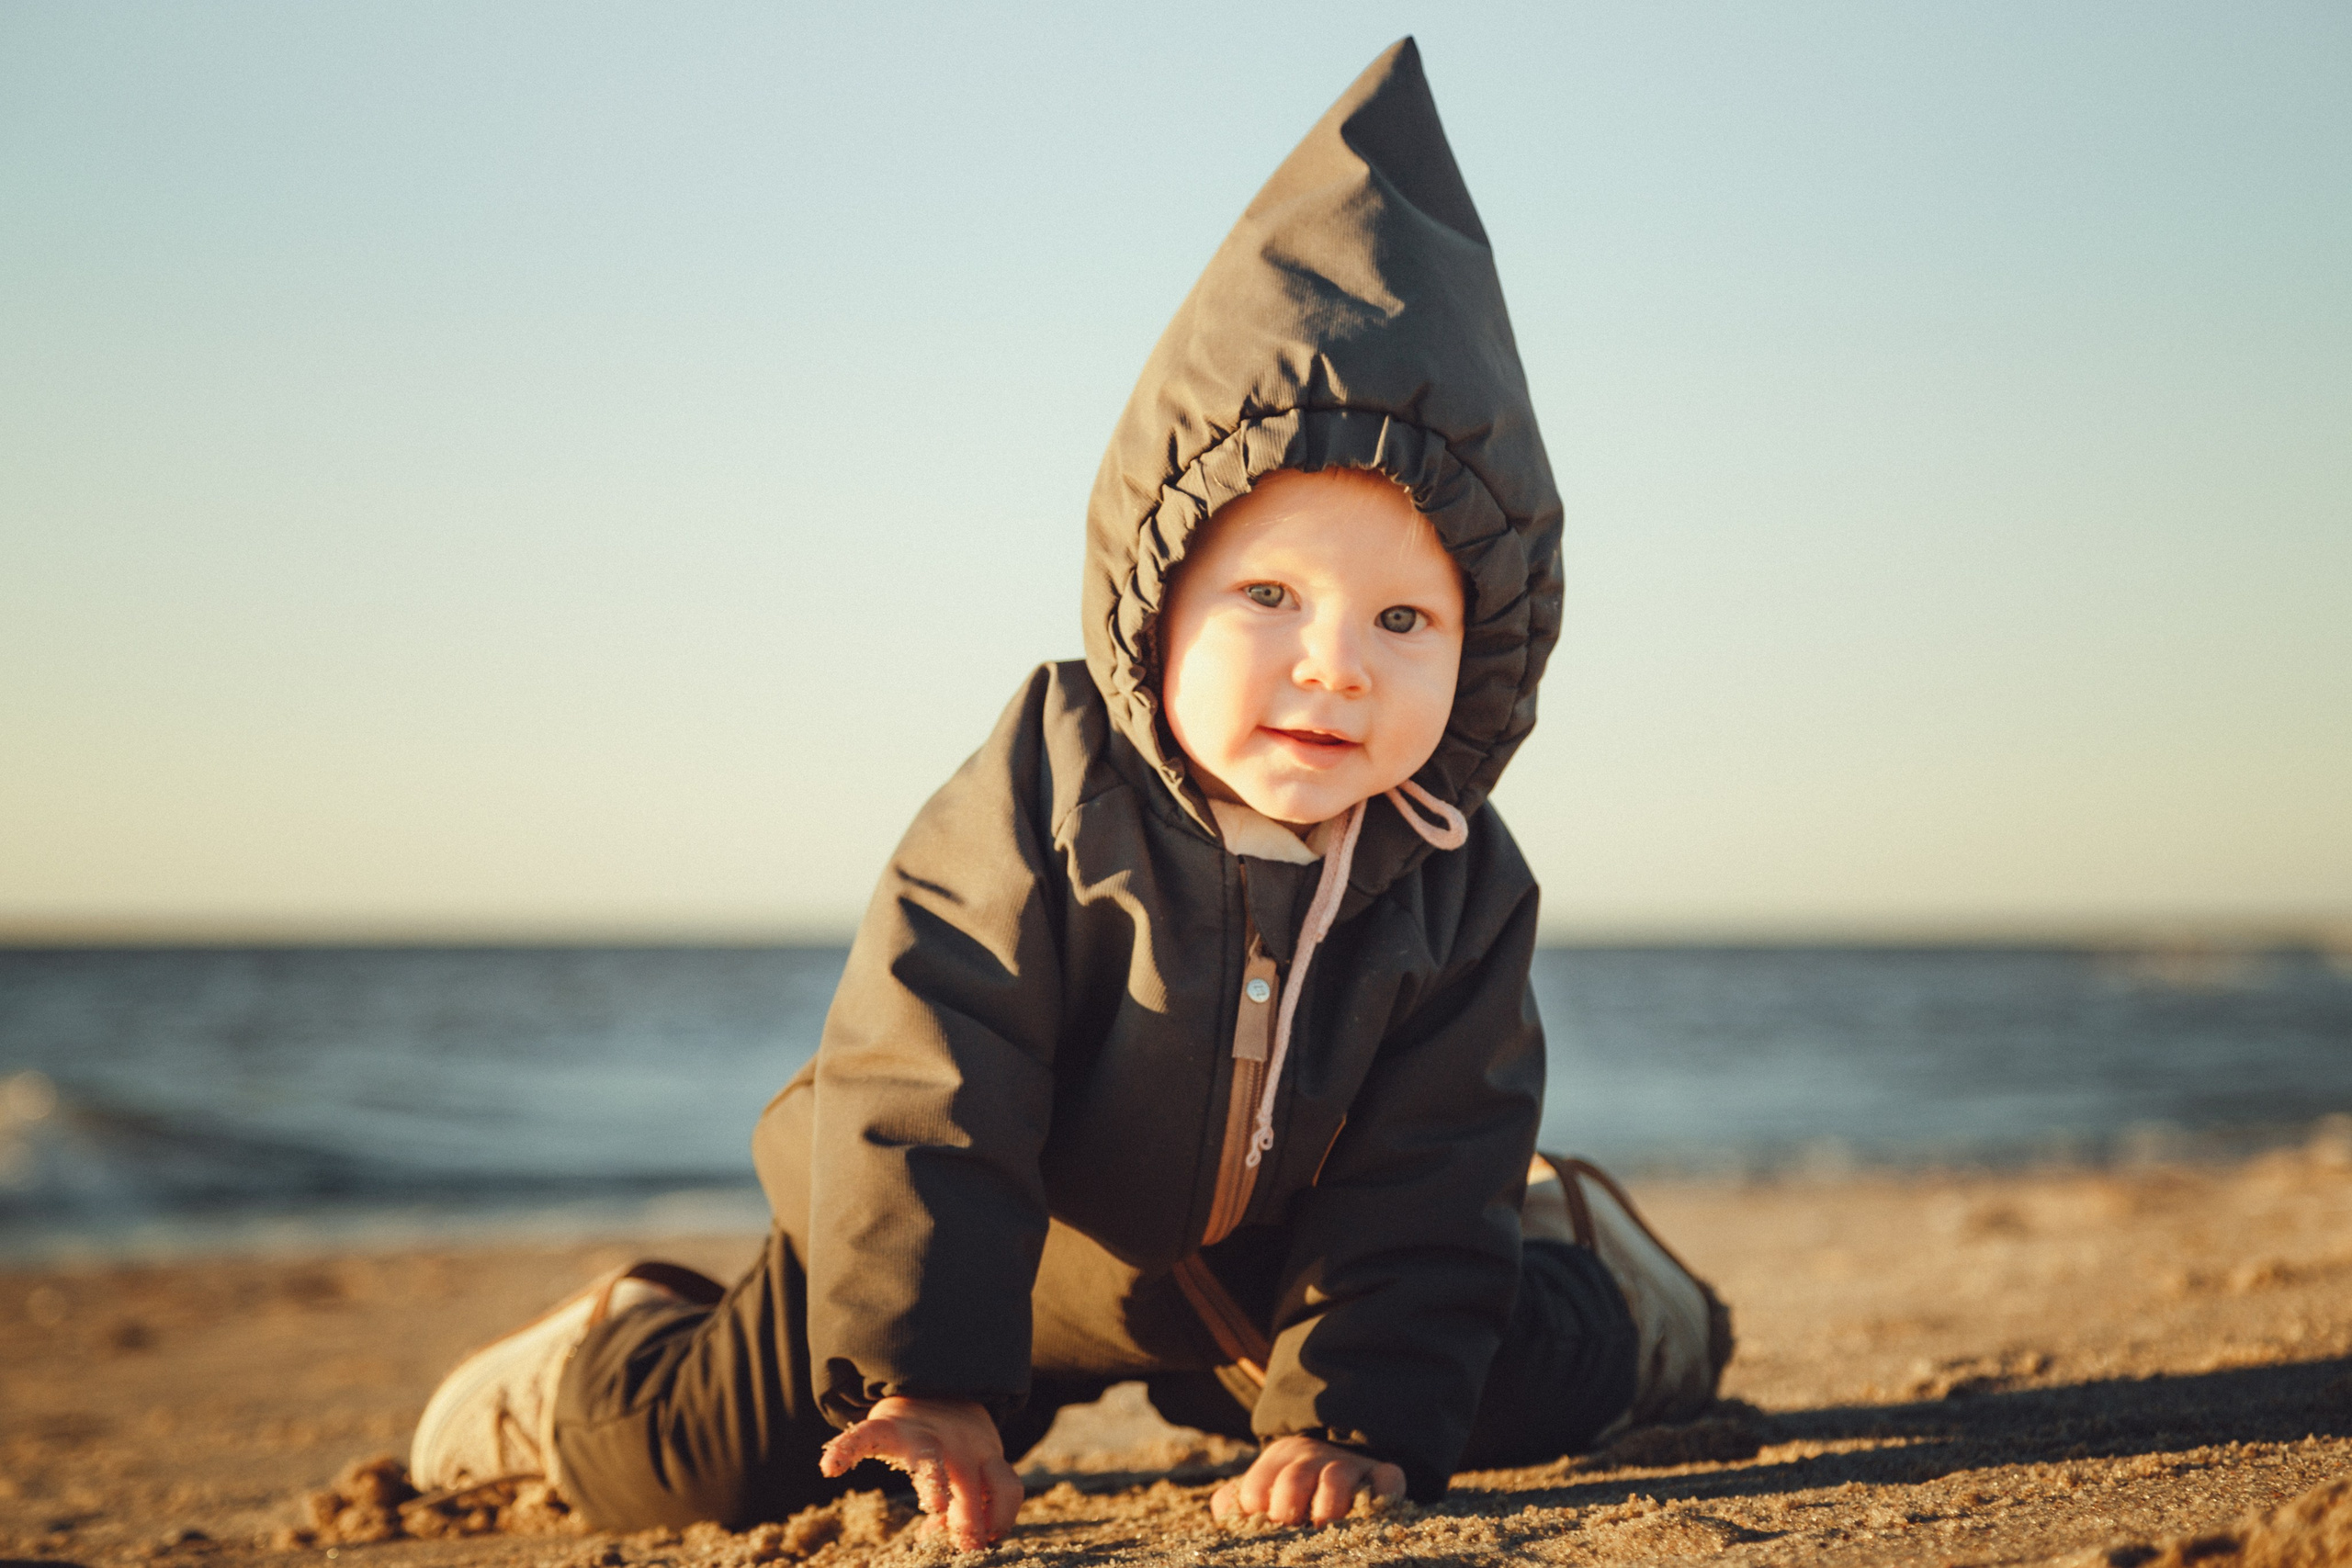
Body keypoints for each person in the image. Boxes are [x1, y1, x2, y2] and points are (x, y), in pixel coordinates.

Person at [407, 39, 1731, 1550]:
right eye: (1273, 596)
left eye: (1403, 622)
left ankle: (1617, 1281)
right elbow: (927, 1082)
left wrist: (1353, 1414)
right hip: (992, 1245)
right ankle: (592, 1356)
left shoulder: (1452, 873)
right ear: (1157, 599)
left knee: (1471, 1394)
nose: (1336, 667)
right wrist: (928, 1369)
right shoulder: (1048, 791)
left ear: (1481, 645)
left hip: (1262, 1273)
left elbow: (1431, 1163)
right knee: (706, 1464)